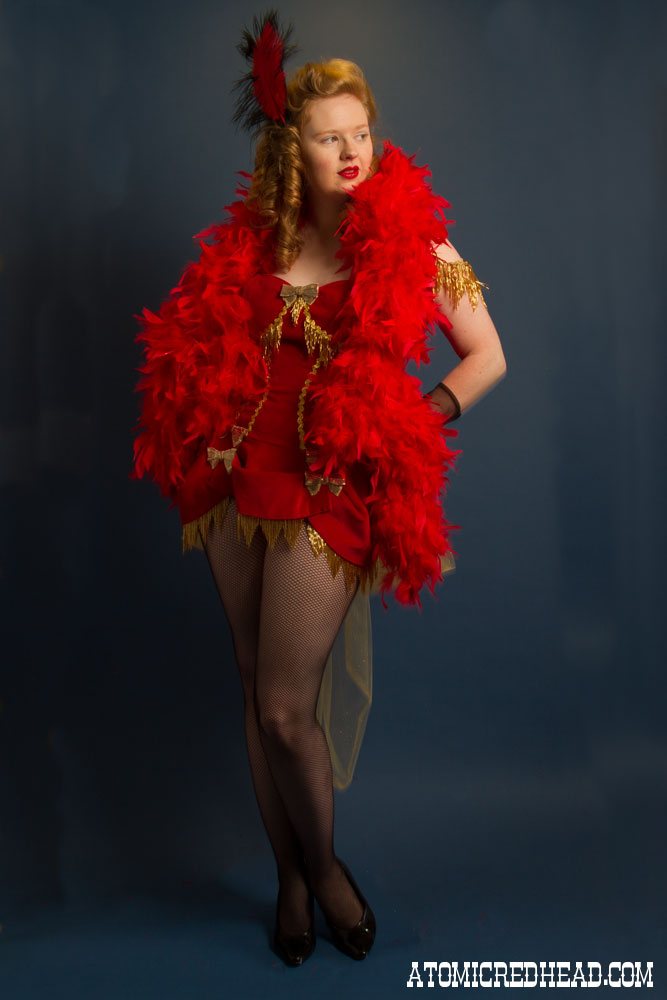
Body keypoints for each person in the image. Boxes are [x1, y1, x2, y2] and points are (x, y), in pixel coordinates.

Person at [132, 12, 506, 967]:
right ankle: (289, 880)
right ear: (289, 148)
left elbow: (487, 355)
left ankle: (327, 869)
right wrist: (205, 418)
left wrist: (415, 418)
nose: (351, 152)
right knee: (253, 686)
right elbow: (202, 338)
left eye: (361, 132)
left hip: (327, 485)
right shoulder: (257, 238)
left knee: (284, 708)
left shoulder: (419, 243)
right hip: (235, 478)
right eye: (329, 136)